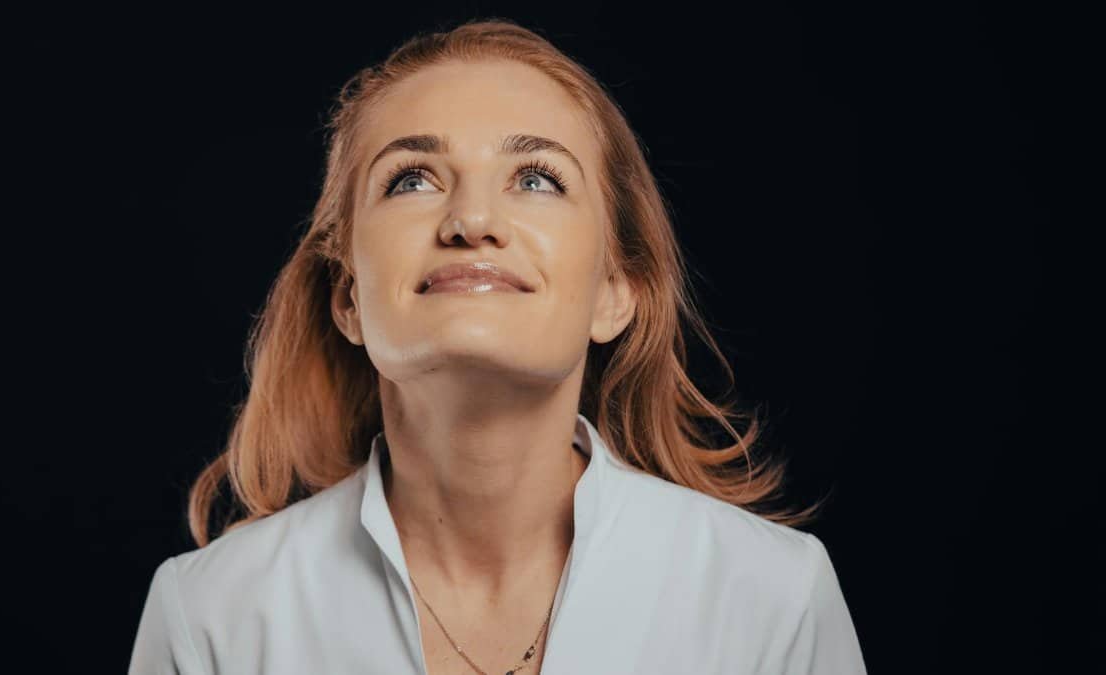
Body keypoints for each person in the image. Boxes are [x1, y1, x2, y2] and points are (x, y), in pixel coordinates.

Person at [128, 17, 867, 675]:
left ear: (617, 292)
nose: (472, 218)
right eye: (412, 178)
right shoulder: (210, 615)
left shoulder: (774, 597)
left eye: (537, 178)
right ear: (348, 297)